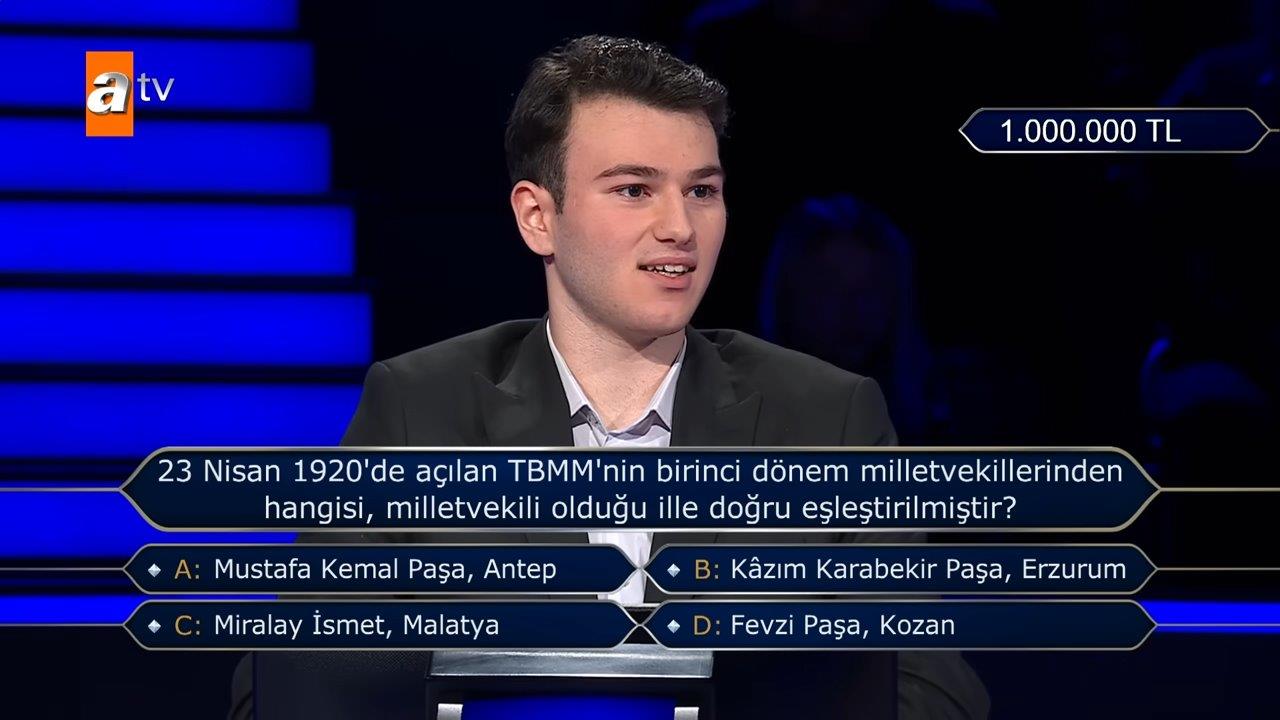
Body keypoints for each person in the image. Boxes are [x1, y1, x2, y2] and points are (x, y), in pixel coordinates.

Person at [232, 35, 988, 719]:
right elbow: (285, 686)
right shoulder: (420, 409)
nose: (680, 228)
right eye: (634, 190)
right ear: (538, 217)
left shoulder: (827, 417)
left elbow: (931, 686)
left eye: (701, 190)